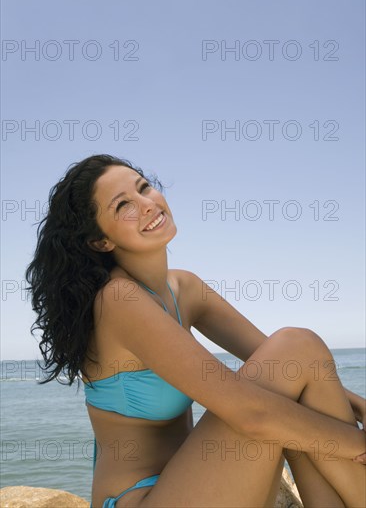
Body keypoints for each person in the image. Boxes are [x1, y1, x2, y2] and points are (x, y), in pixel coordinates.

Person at [25, 154, 366, 508]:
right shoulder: (118, 299)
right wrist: (357, 443)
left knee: (298, 357)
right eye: (123, 204)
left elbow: (295, 371)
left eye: (144, 188)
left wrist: (358, 406)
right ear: (101, 241)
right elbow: (251, 412)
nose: (146, 204)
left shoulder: (184, 288)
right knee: (296, 347)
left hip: (199, 484)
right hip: (143, 498)